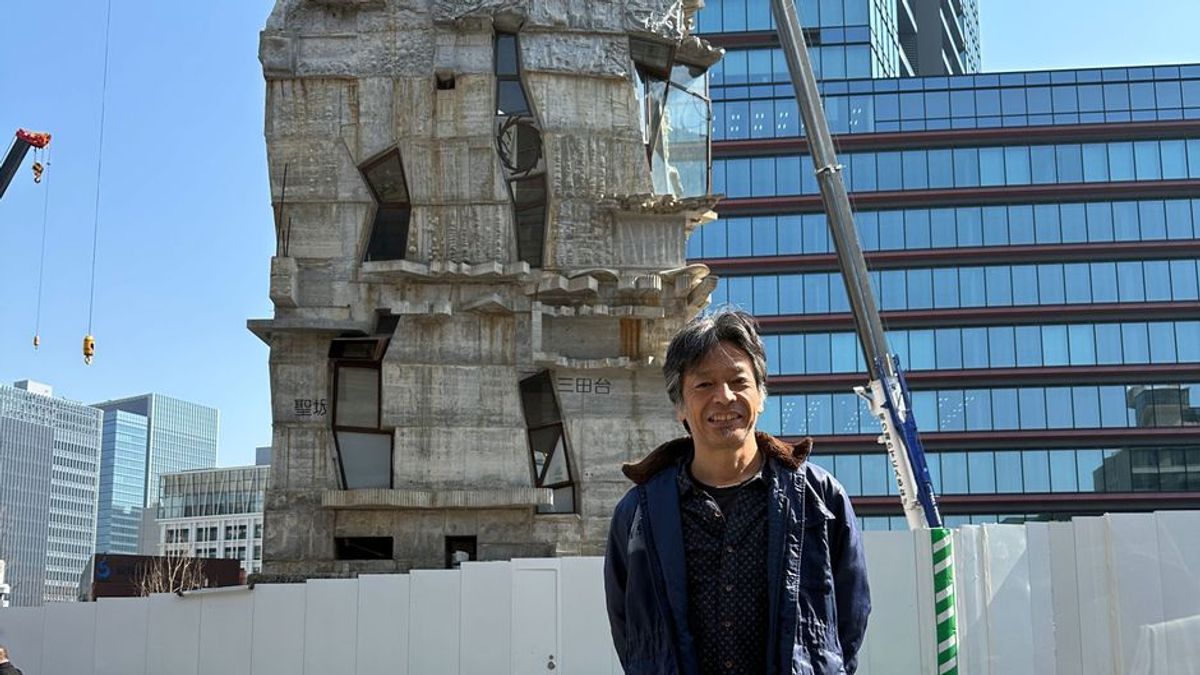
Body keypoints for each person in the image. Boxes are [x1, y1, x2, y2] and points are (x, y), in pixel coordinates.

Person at [604, 309, 871, 674]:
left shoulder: (819, 497)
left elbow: (850, 617)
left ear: (761, 394)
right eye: (704, 384)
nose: (724, 397)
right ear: (679, 405)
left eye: (738, 381)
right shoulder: (638, 513)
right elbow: (630, 631)